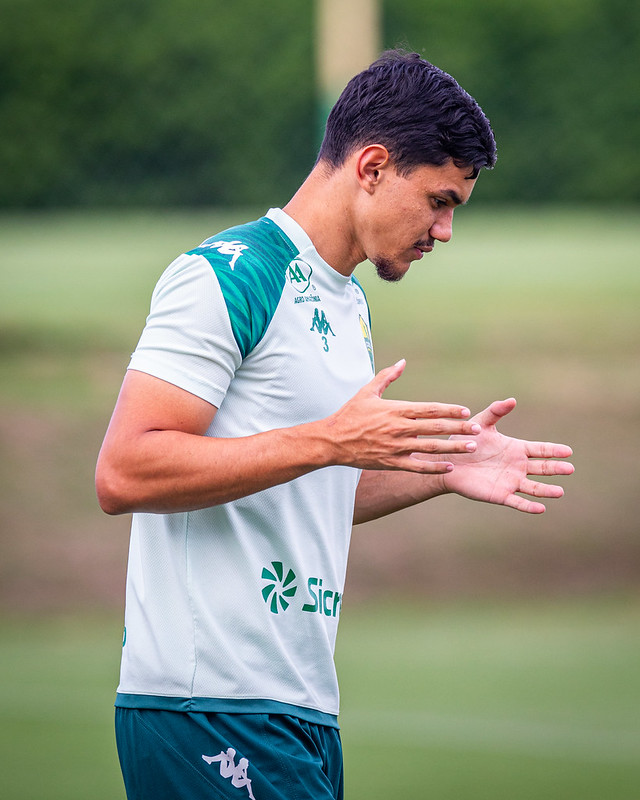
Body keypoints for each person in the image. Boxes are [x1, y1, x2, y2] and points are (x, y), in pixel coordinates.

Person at [96, 50, 573, 800]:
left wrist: (437, 470)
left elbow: (303, 487)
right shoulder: (228, 274)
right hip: (208, 705)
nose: (444, 230)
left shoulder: (347, 305)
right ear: (374, 166)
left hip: (300, 708)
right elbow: (124, 472)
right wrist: (332, 440)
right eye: (439, 201)